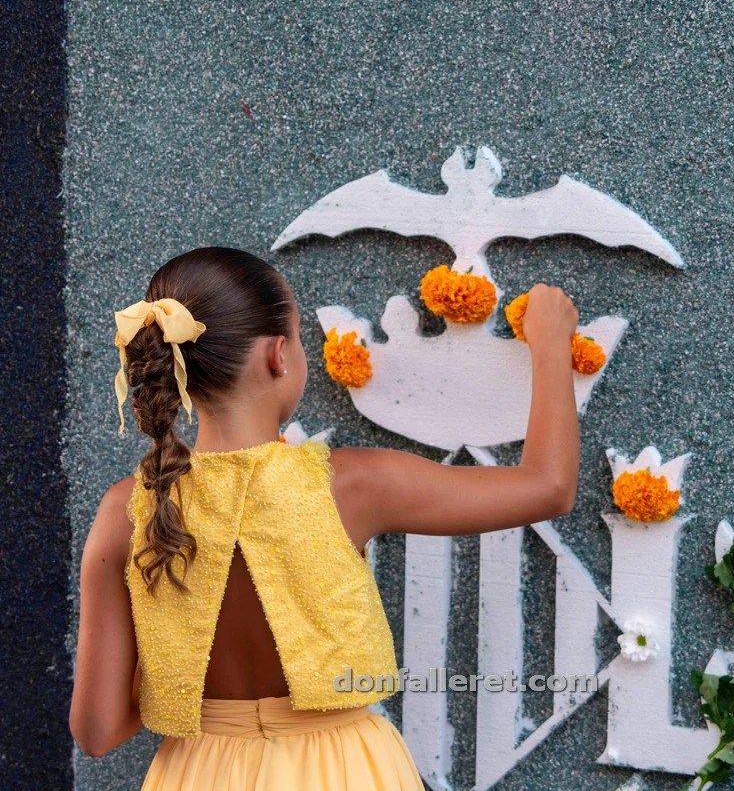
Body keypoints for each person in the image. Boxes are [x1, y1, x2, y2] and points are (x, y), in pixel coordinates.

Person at [68, 246, 580, 789]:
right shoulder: (351, 484)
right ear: (279, 355)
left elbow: (97, 731)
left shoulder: (128, 509)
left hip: (195, 773)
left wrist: (176, 640)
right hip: (343, 770)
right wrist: (551, 343)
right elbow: (547, 487)